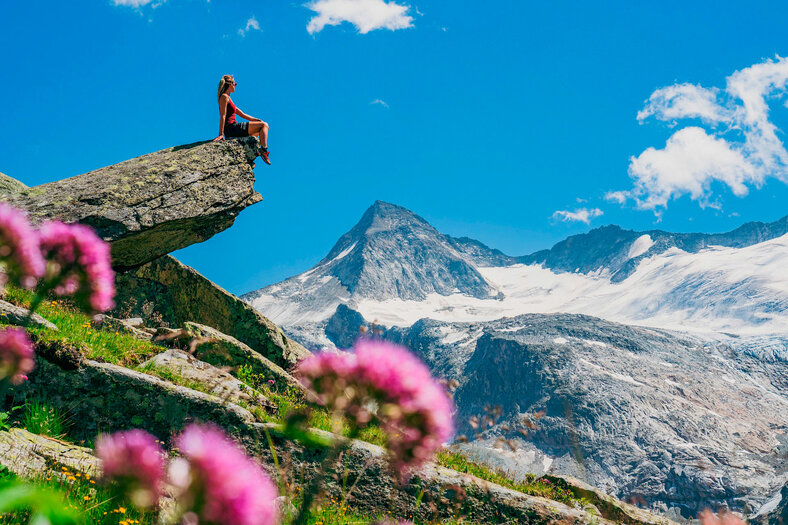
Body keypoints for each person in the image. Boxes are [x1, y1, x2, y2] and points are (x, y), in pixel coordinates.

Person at [212, 75, 270, 165]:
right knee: (264, 125)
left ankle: (257, 150)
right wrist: (220, 134)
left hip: (233, 129)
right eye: (234, 83)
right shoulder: (224, 97)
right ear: (230, 84)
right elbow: (223, 116)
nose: (235, 85)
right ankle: (263, 151)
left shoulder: (229, 99)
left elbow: (243, 114)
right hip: (231, 129)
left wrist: (258, 120)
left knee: (262, 130)